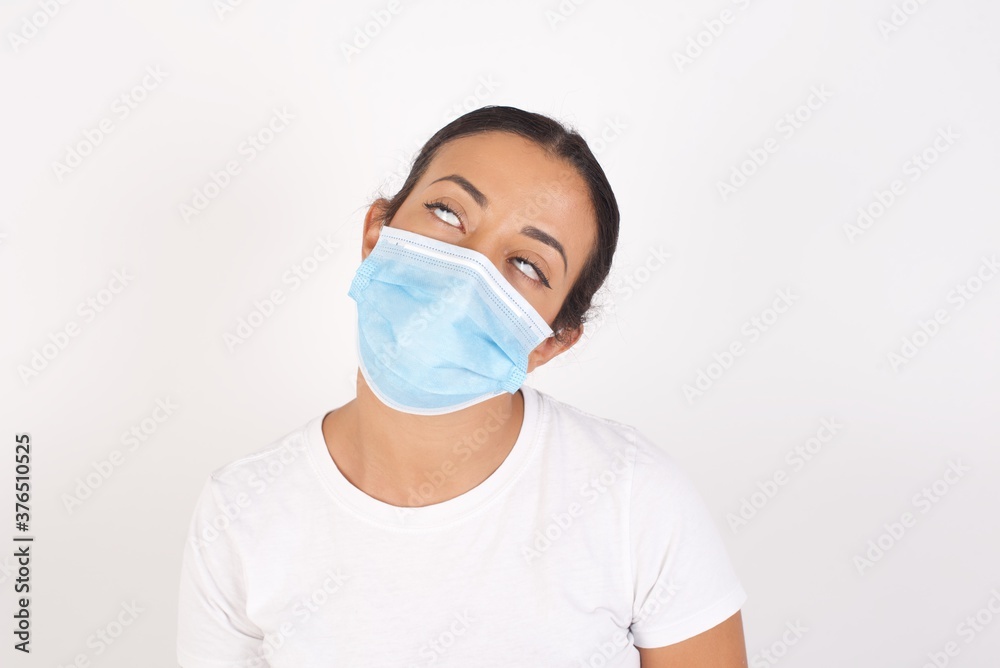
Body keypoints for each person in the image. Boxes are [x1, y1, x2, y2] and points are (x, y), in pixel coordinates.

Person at [176, 105, 748, 667]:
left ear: (550, 342)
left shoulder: (635, 501)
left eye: (528, 265)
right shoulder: (242, 511)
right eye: (449, 213)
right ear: (377, 233)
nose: (466, 270)